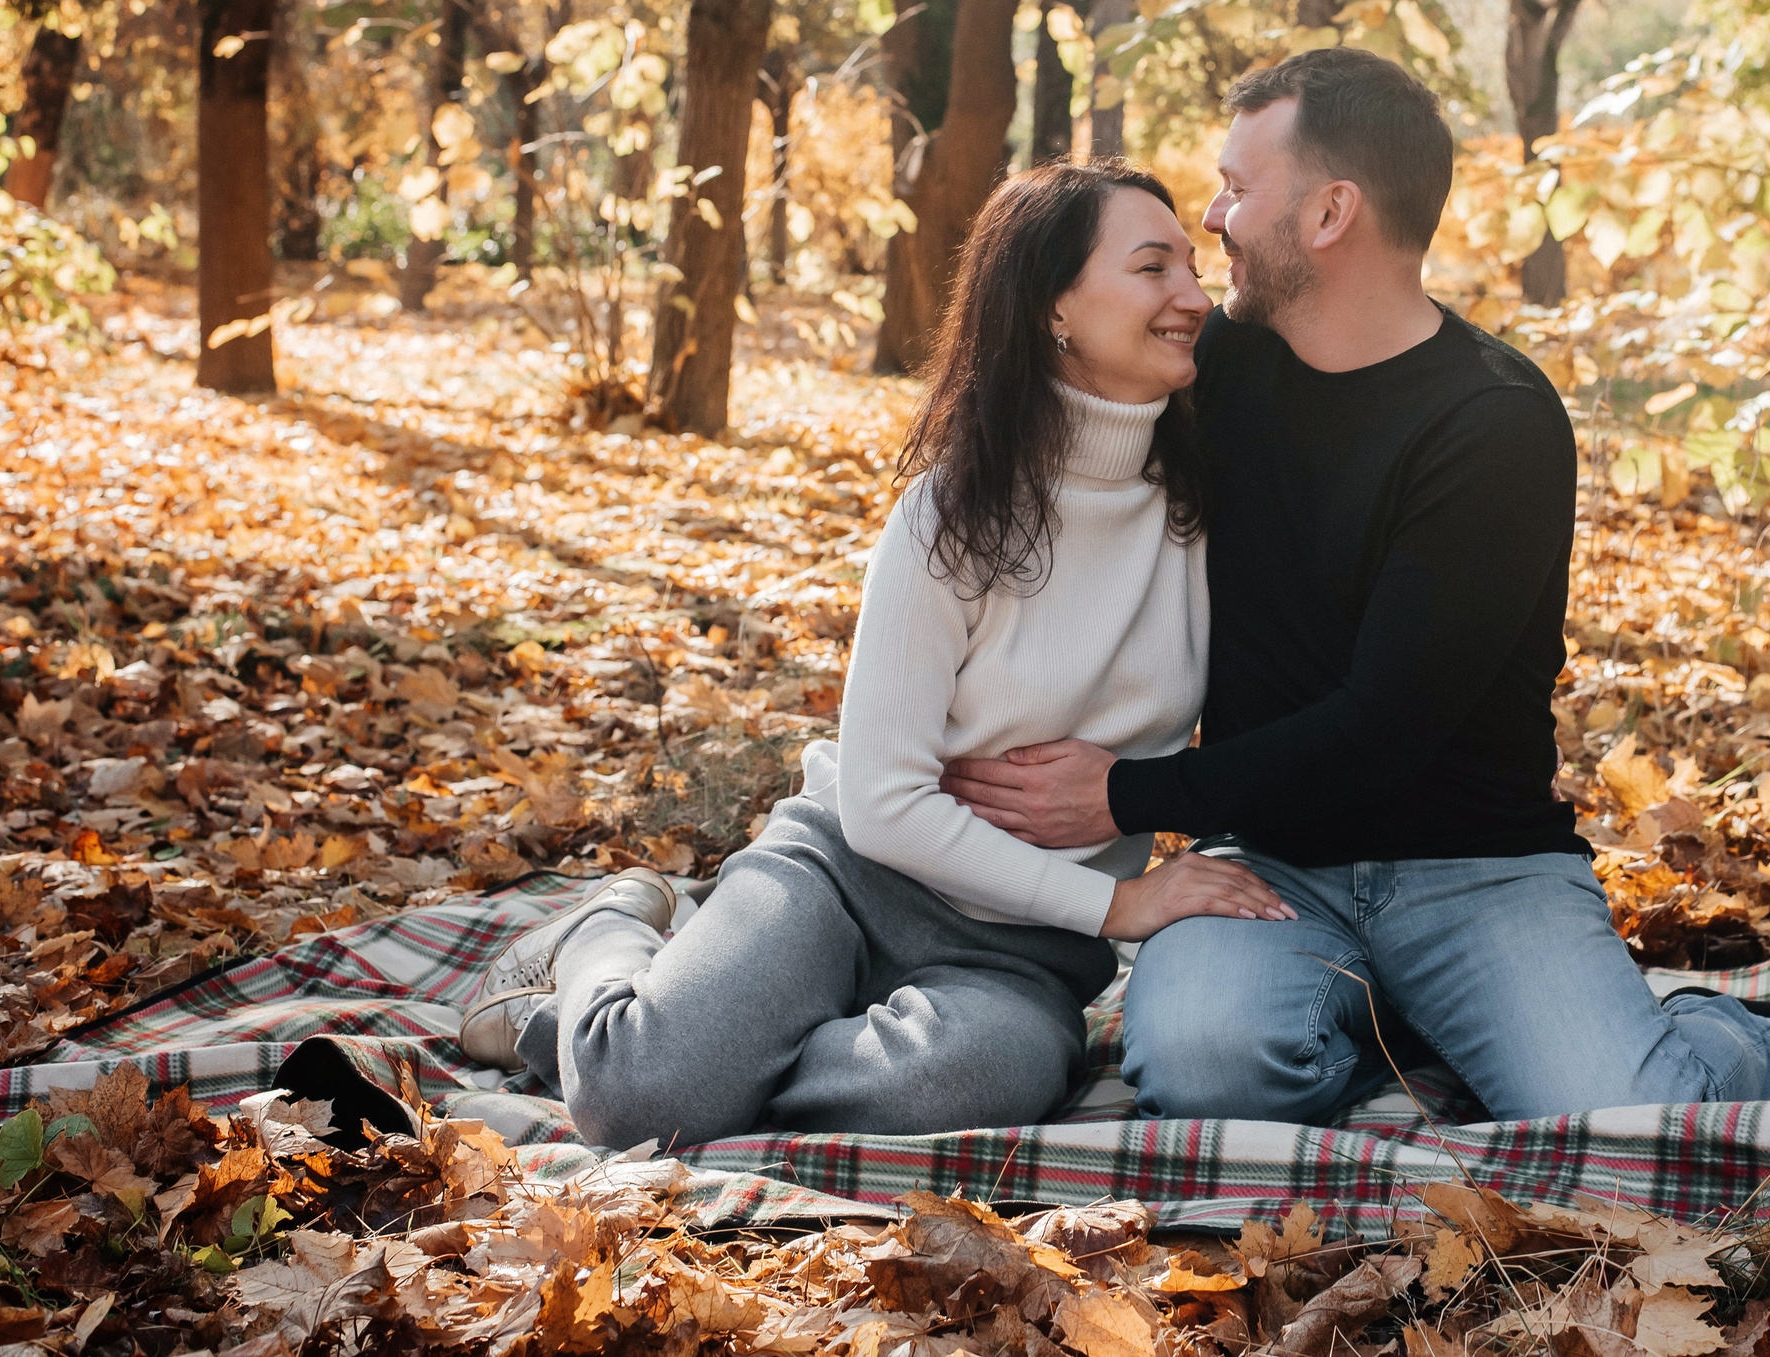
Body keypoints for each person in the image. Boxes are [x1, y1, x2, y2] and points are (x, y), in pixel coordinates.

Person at [943, 49, 1770, 1125]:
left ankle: (1722, 1034)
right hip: (1271, 858)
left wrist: (1123, 791)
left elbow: (1381, 727)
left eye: (1239, 186)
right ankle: (1415, 1023)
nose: (1215, 212)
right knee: (1205, 1069)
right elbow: (1058, 441)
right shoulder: (1216, 366)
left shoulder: (1493, 423)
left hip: (1478, 867)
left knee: (1626, 1119)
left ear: (1330, 212)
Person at [457, 160, 1294, 1148]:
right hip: (846, 876)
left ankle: (716, 1048)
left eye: (1192, 268)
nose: (1194, 297)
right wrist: (1121, 900)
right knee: (634, 1102)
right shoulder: (950, 514)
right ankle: (603, 936)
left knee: (964, 1084)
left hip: (1020, 954)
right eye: (1154, 267)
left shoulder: (1210, 515)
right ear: (1050, 308)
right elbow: (883, 800)